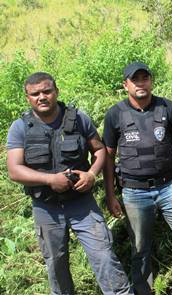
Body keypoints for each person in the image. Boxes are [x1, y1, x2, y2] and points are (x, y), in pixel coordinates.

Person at [6, 72, 133, 295]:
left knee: (104, 256)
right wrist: (49, 179)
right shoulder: (20, 127)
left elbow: (100, 150)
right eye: (35, 94)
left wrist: (92, 174)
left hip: (82, 203)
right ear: (28, 97)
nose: (42, 97)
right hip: (46, 208)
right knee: (56, 265)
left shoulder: (78, 119)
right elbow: (14, 170)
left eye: (47, 91)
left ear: (57, 92)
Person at [102, 62, 172, 295]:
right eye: (135, 79)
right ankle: (142, 291)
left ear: (151, 81)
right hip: (134, 191)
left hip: (170, 187)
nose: (141, 83)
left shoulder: (168, 108)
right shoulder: (115, 114)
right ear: (125, 84)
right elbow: (108, 158)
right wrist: (110, 195)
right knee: (140, 248)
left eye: (144, 78)